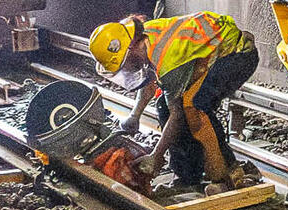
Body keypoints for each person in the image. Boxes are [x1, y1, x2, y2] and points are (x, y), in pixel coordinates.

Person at [88, 11, 261, 189]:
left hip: (238, 55)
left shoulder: (168, 62)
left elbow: (177, 115)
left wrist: (156, 156)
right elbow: (149, 79)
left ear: (132, 48)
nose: (127, 69)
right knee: (164, 105)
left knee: (195, 107)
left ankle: (228, 173)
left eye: (125, 65)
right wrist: (135, 116)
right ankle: (188, 176)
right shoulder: (134, 34)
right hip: (209, 54)